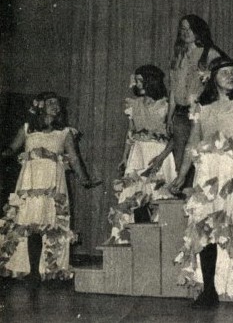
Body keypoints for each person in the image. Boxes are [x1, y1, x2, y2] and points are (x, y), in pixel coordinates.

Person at [170, 57, 233, 308]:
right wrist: (182, 174)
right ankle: (209, 291)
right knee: (206, 227)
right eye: (224, 72)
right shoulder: (203, 108)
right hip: (208, 171)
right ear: (212, 78)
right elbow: (192, 144)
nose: (231, 76)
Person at [0, 92, 98, 282]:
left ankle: (47, 269)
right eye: (51, 102)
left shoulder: (64, 132)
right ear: (41, 106)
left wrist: (84, 178)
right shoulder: (28, 128)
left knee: (50, 223)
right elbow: (12, 149)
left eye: (57, 103)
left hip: (53, 184)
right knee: (30, 222)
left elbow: (75, 158)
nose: (55, 106)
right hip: (30, 183)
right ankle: (31, 270)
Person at [107, 65, 177, 244]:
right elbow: (130, 134)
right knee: (134, 196)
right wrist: (125, 157)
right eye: (136, 80)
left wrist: (161, 158)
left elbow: (176, 137)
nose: (137, 84)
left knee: (158, 197)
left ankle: (159, 243)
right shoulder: (134, 104)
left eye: (140, 80)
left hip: (160, 154)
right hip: (138, 154)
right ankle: (135, 242)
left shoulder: (167, 105)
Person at [167, 14, 229, 189]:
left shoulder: (210, 53)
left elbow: (222, 80)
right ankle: (185, 199)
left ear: (198, 30)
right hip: (180, 114)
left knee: (201, 157)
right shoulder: (178, 56)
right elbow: (173, 89)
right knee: (181, 160)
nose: (186, 32)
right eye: (183, 29)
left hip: (201, 115)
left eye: (190, 29)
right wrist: (169, 116)